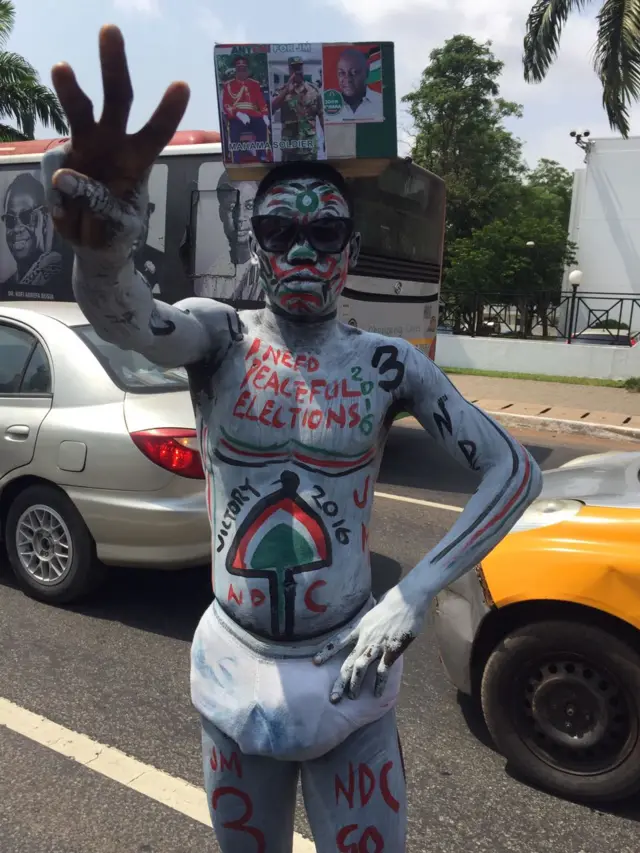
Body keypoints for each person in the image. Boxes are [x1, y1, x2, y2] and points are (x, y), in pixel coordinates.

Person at [43, 26, 542, 852]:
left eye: (322, 235)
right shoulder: (220, 341)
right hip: (232, 664)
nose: (302, 252)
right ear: (254, 249)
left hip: (352, 672)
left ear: (351, 251)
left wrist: (412, 596)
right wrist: (105, 251)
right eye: (279, 233)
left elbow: (513, 470)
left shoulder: (385, 367)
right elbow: (130, 320)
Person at [199, 171, 263, 302]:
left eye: (249, 206)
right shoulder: (212, 276)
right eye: (232, 207)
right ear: (221, 214)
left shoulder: (272, 270)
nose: (240, 217)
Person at [0, 172, 64, 298]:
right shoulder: (5, 286)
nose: (17, 228)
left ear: (45, 219)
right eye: (10, 220)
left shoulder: (64, 278)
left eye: (26, 217)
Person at [271, 56, 323, 161]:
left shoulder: (313, 91)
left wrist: (326, 139)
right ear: (289, 70)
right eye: (294, 69)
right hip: (289, 146)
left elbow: (321, 115)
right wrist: (287, 90)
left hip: (308, 146)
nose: (297, 71)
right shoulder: (282, 91)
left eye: (299, 68)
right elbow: (272, 107)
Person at [221, 54, 271, 164]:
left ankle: (261, 155)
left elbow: (261, 101)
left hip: (253, 114)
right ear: (236, 70)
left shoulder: (254, 84)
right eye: (239, 69)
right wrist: (237, 114)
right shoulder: (228, 85)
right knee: (234, 129)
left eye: (244, 69)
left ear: (247, 70)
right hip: (237, 116)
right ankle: (236, 157)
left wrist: (264, 114)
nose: (242, 71)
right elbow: (226, 104)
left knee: (262, 126)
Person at [336, 47, 384, 121]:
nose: (348, 79)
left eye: (354, 72)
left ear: (367, 73)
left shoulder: (380, 102)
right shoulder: (327, 104)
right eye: (341, 73)